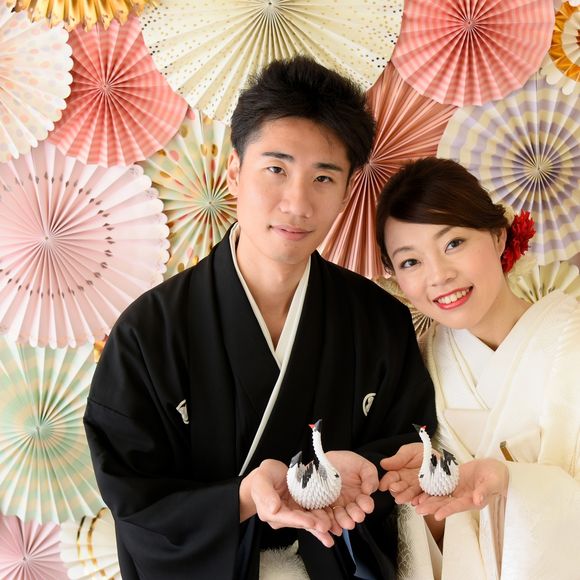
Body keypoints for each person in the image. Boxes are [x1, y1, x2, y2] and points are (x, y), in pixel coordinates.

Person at [83, 56, 437, 580]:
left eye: (323, 177)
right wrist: (244, 498)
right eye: (276, 169)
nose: (297, 203)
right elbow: (134, 501)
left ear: (346, 192)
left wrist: (361, 476)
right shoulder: (148, 332)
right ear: (234, 172)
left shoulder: (380, 320)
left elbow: (411, 447)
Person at [375, 157, 580, 580]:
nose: (439, 276)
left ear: (498, 235)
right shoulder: (415, 368)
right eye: (411, 262)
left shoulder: (571, 337)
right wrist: (426, 494)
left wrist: (509, 481)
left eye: (453, 243)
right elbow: (434, 542)